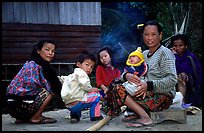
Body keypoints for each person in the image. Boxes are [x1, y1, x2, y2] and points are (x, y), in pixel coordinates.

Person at [104, 20, 178, 128]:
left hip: (162, 96)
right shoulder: (143, 54)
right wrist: (127, 76)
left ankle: (145, 117)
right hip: (143, 90)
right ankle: (137, 112)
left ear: (160, 35)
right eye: (146, 35)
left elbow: (172, 80)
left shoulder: (165, 53)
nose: (149, 38)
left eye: (153, 34)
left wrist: (148, 85)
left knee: (118, 90)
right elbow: (126, 72)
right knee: (115, 84)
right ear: (143, 36)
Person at [6, 39, 62, 124]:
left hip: (12, 108)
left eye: (53, 51)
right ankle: (36, 117)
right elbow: (50, 86)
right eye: (47, 50)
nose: (50, 53)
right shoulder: (38, 66)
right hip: (21, 106)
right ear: (38, 51)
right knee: (50, 90)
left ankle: (22, 118)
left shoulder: (29, 63)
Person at [61, 51, 103, 123]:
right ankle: (95, 116)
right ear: (78, 64)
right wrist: (92, 89)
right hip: (77, 104)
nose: (89, 68)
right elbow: (85, 85)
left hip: (68, 105)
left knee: (79, 93)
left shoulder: (72, 75)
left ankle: (75, 116)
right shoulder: (82, 73)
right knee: (96, 95)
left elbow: (62, 79)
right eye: (87, 65)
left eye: (92, 67)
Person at [170, 34, 202, 108]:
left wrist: (175, 57)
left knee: (181, 76)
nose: (178, 48)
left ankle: (181, 103)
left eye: (180, 45)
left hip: (191, 83)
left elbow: (182, 69)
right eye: (175, 45)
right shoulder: (169, 54)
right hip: (173, 79)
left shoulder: (190, 57)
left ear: (186, 46)